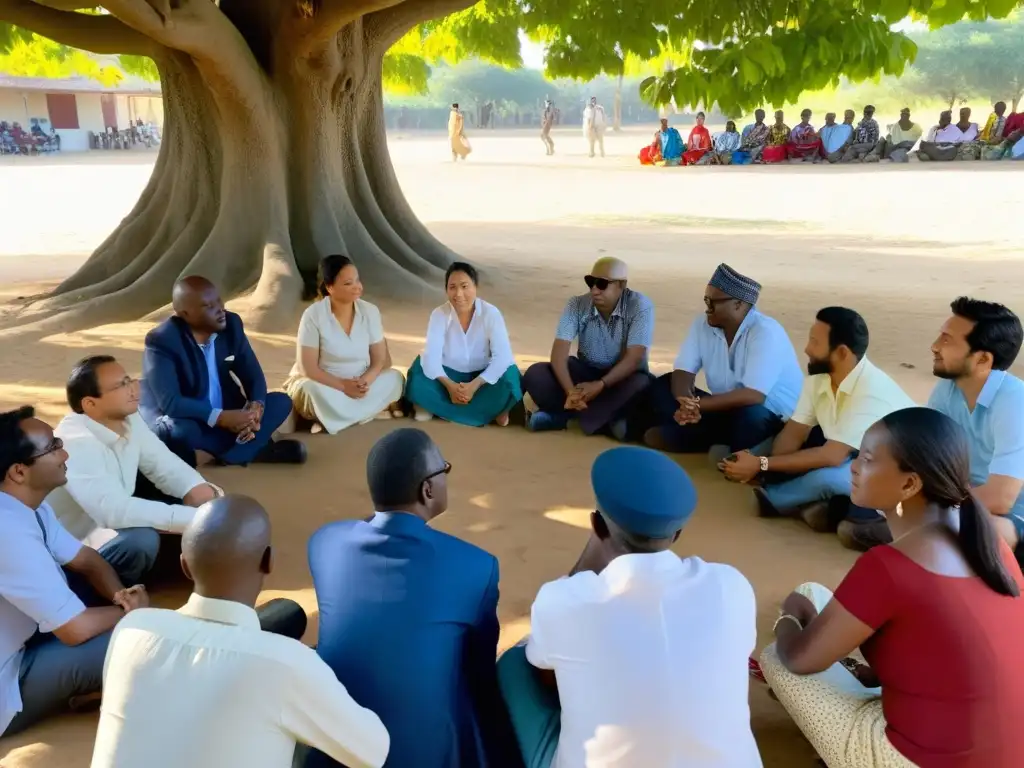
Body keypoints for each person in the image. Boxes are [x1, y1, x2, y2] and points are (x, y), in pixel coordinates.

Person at [760, 407, 1024, 768]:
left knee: (777, 655)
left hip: (920, 760)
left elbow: (801, 660)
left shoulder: (890, 566)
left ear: (910, 484)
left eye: (866, 459)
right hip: (1004, 751)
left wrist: (790, 617)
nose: (853, 467)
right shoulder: (992, 544)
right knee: (816, 594)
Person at [497, 447, 762, 768]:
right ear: (677, 533)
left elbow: (541, 666)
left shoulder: (565, 600)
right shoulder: (730, 585)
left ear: (596, 526)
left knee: (516, 663)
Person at [91, 496, 390, 768]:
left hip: (254, 660)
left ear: (184, 566)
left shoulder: (131, 629)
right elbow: (373, 751)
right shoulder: (288, 664)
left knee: (286, 616)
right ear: (268, 561)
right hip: (284, 671)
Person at [305, 429, 517, 768]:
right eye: (443, 470)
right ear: (427, 489)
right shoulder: (477, 566)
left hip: (334, 750)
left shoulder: (324, 542)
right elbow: (479, 673)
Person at [0, 406, 151, 737]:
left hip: (31, 630)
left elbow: (87, 560)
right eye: (53, 448)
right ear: (19, 472)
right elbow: (75, 630)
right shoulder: (7, 531)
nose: (65, 452)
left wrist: (119, 596)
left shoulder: (28, 506)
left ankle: (103, 682)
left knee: (137, 542)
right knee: (142, 642)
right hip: (9, 675)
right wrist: (131, 614)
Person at [721, 307, 914, 550]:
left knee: (830, 480)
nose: (807, 349)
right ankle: (817, 505)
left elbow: (831, 457)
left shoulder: (871, 392)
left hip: (896, 471)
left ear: (842, 352)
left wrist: (760, 464)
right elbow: (794, 432)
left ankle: (776, 501)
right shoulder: (818, 378)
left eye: (815, 342)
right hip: (854, 455)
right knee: (772, 451)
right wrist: (766, 471)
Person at [47, 356, 218, 557]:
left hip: (110, 520)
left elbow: (162, 462)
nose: (133, 389)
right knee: (141, 541)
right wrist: (197, 518)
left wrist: (195, 487)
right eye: (120, 386)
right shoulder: (75, 442)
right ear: (90, 404)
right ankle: (106, 587)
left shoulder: (128, 418)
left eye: (129, 381)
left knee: (204, 498)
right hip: (74, 545)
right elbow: (114, 512)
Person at [140, 276, 305, 467]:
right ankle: (251, 448)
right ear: (184, 314)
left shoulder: (231, 325)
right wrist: (220, 418)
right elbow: (171, 403)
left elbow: (252, 374)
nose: (219, 309)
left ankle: (229, 453)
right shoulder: (162, 340)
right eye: (208, 306)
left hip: (231, 414)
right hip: (194, 419)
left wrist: (255, 407)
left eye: (218, 300)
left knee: (281, 402)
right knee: (180, 431)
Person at [640, 264, 802, 456]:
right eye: (706, 300)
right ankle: (715, 441)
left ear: (738, 304)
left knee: (751, 415)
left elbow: (754, 395)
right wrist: (686, 401)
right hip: (723, 408)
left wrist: (697, 405)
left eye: (713, 302)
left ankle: (709, 440)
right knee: (664, 384)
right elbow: (683, 371)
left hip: (771, 418)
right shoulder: (702, 324)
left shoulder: (765, 332)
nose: (707, 308)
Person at [928, 298, 1024, 562]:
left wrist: (931, 509)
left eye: (947, 340)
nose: (935, 346)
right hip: (970, 502)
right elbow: (928, 456)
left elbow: (1001, 498)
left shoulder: (1015, 402)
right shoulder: (947, 390)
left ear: (982, 359)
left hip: (1013, 513)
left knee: (981, 531)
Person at [522, 257, 653, 438]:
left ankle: (566, 419)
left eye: (602, 284)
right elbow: (559, 353)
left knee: (641, 384)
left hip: (620, 378)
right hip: (584, 376)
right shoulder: (576, 304)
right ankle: (603, 421)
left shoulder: (640, 306)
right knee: (536, 374)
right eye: (590, 282)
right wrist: (570, 391)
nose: (594, 290)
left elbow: (634, 358)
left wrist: (600, 385)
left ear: (622, 285)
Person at [283, 255, 405, 434]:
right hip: (326, 384)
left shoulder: (370, 311)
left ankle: (334, 417)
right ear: (329, 287)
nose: (358, 287)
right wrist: (343, 386)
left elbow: (380, 360)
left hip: (362, 382)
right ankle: (365, 411)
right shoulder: (313, 315)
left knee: (395, 378)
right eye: (349, 283)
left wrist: (365, 382)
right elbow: (308, 369)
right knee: (310, 390)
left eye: (357, 280)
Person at [405, 262, 522, 427]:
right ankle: (491, 412)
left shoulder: (491, 313)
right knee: (418, 374)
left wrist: (474, 385)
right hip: (448, 377)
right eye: (452, 287)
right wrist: (451, 387)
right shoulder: (439, 314)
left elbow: (502, 357)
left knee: (510, 377)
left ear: (476, 287)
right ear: (446, 290)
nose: (459, 294)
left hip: (482, 379)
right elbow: (431, 357)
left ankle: (439, 409)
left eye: (464, 286)